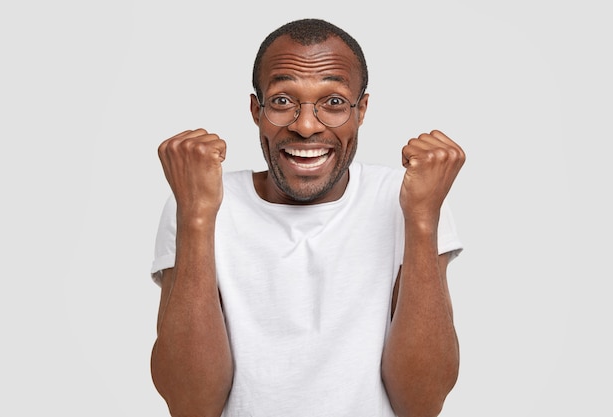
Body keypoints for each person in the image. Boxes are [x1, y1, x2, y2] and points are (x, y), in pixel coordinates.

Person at [150, 18, 466, 417]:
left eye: (333, 102)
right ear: (256, 109)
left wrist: (422, 219)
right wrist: (196, 217)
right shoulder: (201, 197)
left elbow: (421, 404)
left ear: (361, 109)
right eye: (283, 101)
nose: (305, 126)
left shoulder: (407, 197)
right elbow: (190, 405)